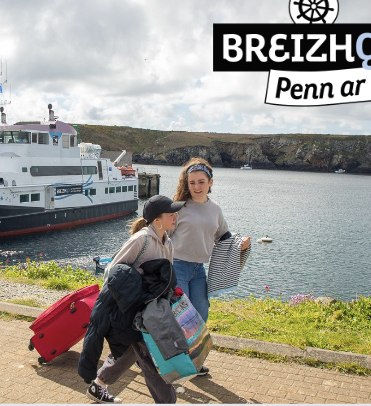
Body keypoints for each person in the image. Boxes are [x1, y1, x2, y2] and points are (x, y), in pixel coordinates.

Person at [78, 195, 183, 404]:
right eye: (171, 213)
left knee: (131, 352)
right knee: (152, 360)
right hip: (131, 311)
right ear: (157, 220)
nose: (175, 216)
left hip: (148, 310)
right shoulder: (141, 240)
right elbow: (112, 272)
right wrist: (127, 299)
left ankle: (98, 386)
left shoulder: (167, 242)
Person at [169, 157, 250, 375]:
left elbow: (224, 237)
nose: (196, 186)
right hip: (177, 267)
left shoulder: (215, 210)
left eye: (201, 182)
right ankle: (170, 360)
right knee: (180, 317)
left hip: (198, 270)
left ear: (210, 183)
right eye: (192, 182)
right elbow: (162, 235)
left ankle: (192, 360)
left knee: (200, 316)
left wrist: (240, 245)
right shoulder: (178, 207)